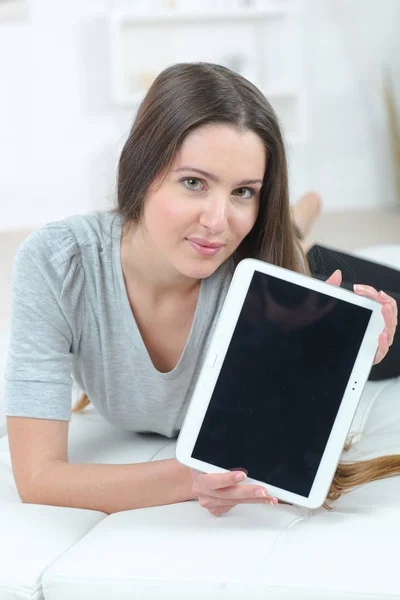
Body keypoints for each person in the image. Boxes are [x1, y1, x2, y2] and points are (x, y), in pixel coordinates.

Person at [4, 62, 398, 518]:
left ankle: (294, 224)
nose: (217, 222)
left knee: (299, 256)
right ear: (141, 169)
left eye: (244, 191)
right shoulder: (59, 264)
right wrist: (190, 478)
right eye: (194, 182)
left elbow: (280, 430)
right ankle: (298, 219)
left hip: (281, 255)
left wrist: (330, 363)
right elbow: (37, 478)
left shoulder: (264, 276)